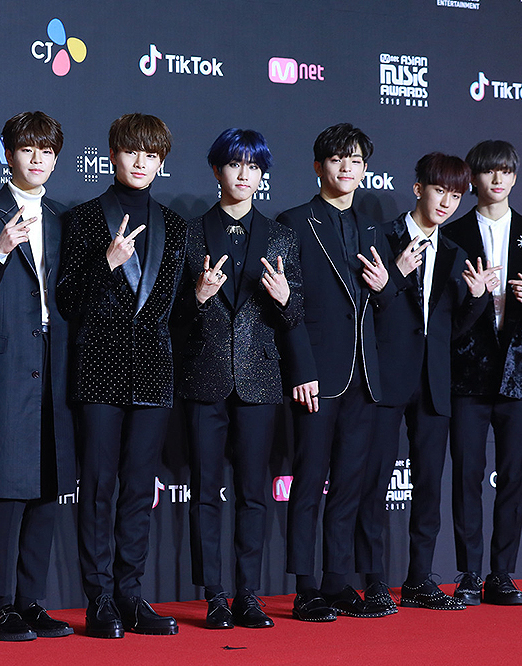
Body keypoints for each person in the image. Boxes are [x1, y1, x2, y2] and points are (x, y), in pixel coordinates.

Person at [57, 113, 186, 638]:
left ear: (161, 163)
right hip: (99, 369)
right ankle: (99, 598)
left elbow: (173, 310)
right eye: (132, 152)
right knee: (101, 487)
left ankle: (132, 593)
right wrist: (106, 264)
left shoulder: (175, 225)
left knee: (138, 488)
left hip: (153, 372)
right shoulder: (84, 218)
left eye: (151, 155)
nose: (141, 162)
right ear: (112, 155)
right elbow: (67, 300)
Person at [354, 153, 493, 612]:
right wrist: (396, 274)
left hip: (434, 385)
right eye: (440, 191)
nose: (448, 203)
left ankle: (418, 580)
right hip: (385, 379)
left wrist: (475, 301)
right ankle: (373, 582)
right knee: (372, 483)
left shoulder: (455, 252)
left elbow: (451, 329)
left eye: (456, 195)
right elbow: (364, 310)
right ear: (418, 189)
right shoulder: (381, 237)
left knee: (429, 486)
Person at [177, 128, 302, 630]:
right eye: (234, 164)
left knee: (254, 492)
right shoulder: (186, 232)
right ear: (216, 170)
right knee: (207, 490)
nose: (244, 174)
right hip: (202, 378)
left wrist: (286, 299)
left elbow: (297, 318)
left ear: (263, 174)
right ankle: (214, 594)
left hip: (258, 381)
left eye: (254, 166)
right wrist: (199, 296)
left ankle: (248, 594)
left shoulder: (280, 237)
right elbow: (170, 317)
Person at [0, 111, 76, 642]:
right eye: (28, 149)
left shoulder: (62, 217)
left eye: (47, 151)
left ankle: (32, 601)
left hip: (55, 359)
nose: (38, 159)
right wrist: (0, 251)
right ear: (8, 154)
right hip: (4, 361)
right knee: (8, 489)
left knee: (47, 485)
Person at [277, 123, 395, 622]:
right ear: (318, 165)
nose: (347, 168)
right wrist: (302, 368)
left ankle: (338, 582)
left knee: (350, 484)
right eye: (337, 159)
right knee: (309, 482)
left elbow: (385, 309)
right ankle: (306, 588)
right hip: (316, 376)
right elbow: (285, 305)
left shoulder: (372, 227)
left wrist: (388, 285)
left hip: (365, 377)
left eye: (356, 161)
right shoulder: (294, 221)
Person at [442, 140, 522, 606]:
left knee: (513, 476)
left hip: (518, 378)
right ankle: (469, 574)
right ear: (473, 177)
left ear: (515, 177)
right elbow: (441, 309)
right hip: (466, 375)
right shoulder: (451, 235)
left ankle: (502, 574)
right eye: (488, 171)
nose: (497, 179)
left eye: (505, 171)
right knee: (467, 476)